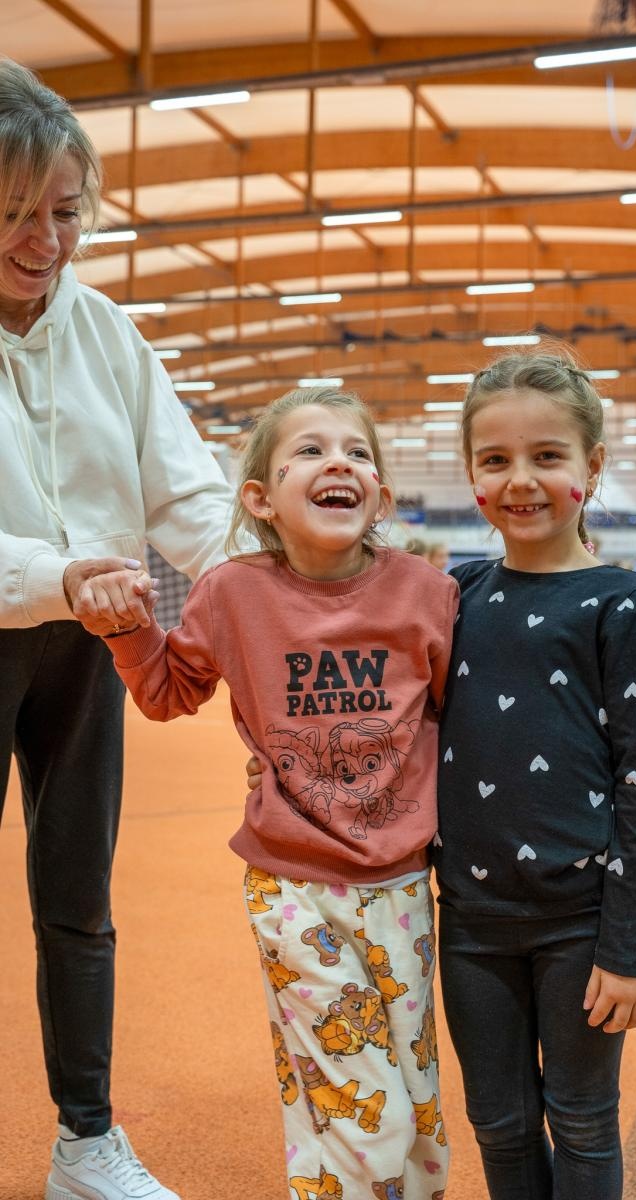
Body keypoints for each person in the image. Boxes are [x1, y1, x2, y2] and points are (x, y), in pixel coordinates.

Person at [77, 387, 458, 1200]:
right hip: (294, 890)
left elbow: (462, 718)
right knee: (363, 1107)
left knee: (417, 1103)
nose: (339, 464)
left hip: (401, 887)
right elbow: (168, 691)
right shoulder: (232, 594)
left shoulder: (428, 594)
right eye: (311, 452)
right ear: (260, 499)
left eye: (358, 453)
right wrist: (126, 627)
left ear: (382, 495)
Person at [0, 58, 235, 1200]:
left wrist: (265, 575)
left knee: (76, 898)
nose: (45, 239)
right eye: (12, 215)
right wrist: (55, 569)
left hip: (85, 650)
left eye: (63, 211)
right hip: (34, 605)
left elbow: (186, 492)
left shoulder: (105, 333)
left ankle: (84, 1142)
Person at [431, 350, 636, 1200]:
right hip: (470, 921)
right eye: (494, 460)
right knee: (498, 1124)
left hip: (580, 921)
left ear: (592, 467)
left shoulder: (618, 601)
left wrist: (634, 942)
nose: (520, 480)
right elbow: (397, 722)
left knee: (580, 1117)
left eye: (547, 457)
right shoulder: (455, 593)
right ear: (470, 473)